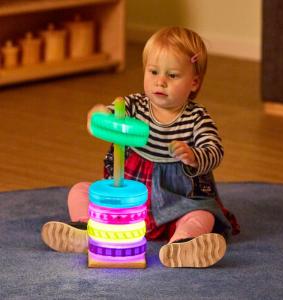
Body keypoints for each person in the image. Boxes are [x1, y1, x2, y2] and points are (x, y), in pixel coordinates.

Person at [41, 26, 239, 268]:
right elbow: (110, 117)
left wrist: (195, 156)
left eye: (173, 75)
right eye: (153, 71)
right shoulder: (134, 105)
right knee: (80, 191)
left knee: (203, 216)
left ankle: (182, 244)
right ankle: (86, 227)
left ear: (194, 82)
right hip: (130, 201)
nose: (160, 81)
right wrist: (99, 114)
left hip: (179, 200)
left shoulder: (197, 118)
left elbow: (214, 150)